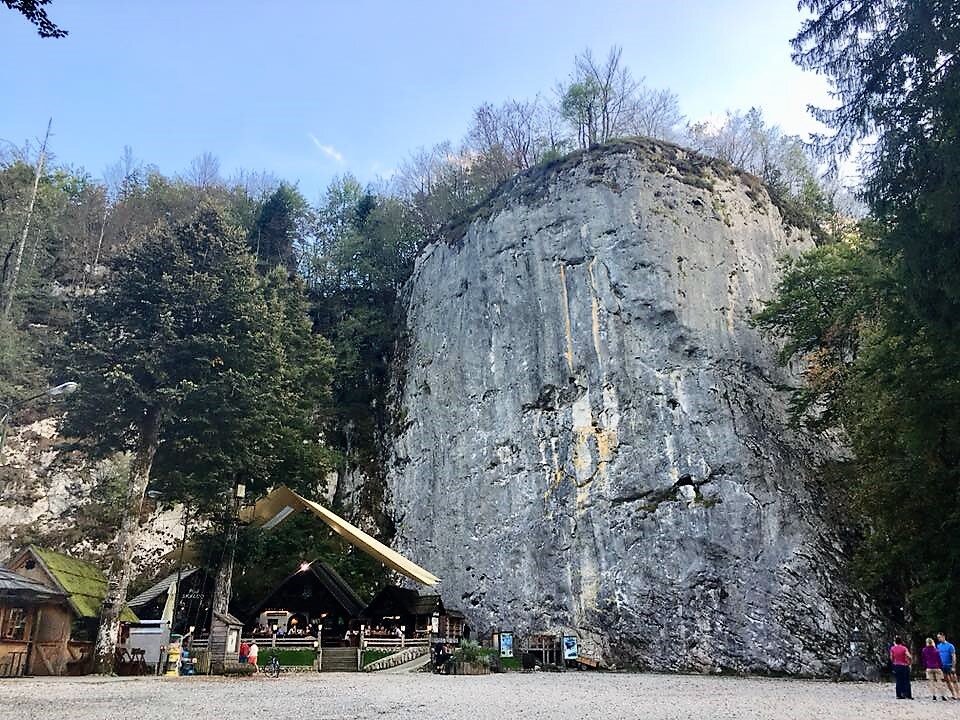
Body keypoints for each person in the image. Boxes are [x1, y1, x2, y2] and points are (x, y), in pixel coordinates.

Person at [937, 633, 960, 700]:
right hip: (942, 665)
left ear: (943, 637)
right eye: (938, 637)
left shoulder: (950, 646)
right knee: (947, 681)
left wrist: (953, 666)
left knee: (954, 680)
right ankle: (953, 694)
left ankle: (958, 694)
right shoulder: (938, 646)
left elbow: (953, 656)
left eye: (940, 637)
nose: (939, 639)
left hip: (949, 665)